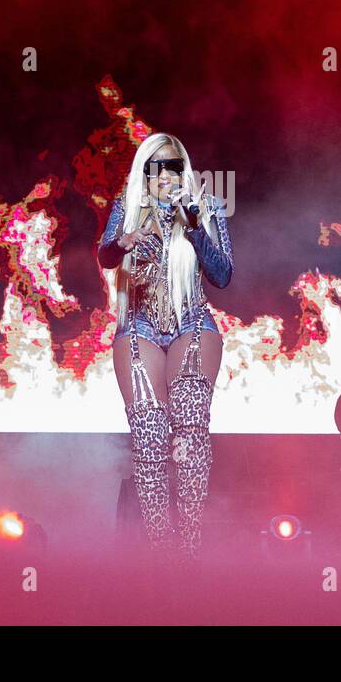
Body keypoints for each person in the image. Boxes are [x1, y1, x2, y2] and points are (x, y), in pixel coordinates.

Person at [98, 132, 233, 562]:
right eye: (155, 167)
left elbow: (223, 275)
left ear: (184, 169)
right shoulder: (128, 206)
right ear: (145, 171)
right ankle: (160, 553)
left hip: (192, 321)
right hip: (139, 325)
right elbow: (104, 256)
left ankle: (190, 548)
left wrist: (194, 228)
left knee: (191, 428)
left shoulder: (205, 208)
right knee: (150, 438)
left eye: (174, 166)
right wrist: (123, 241)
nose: (166, 175)